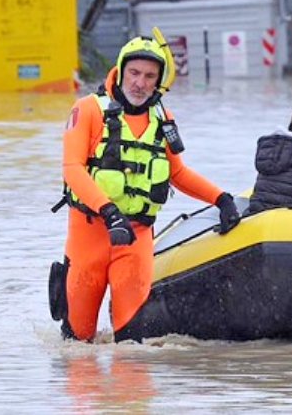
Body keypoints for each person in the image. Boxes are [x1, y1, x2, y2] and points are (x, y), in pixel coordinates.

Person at [52, 34, 240, 342]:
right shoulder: (87, 110)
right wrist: (109, 212)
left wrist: (221, 199)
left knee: (131, 345)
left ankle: (132, 390)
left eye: (149, 76)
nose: (140, 83)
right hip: (90, 234)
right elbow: (72, 170)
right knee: (78, 342)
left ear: (159, 81)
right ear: (122, 70)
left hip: (136, 237)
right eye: (135, 73)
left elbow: (177, 172)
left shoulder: (163, 118)